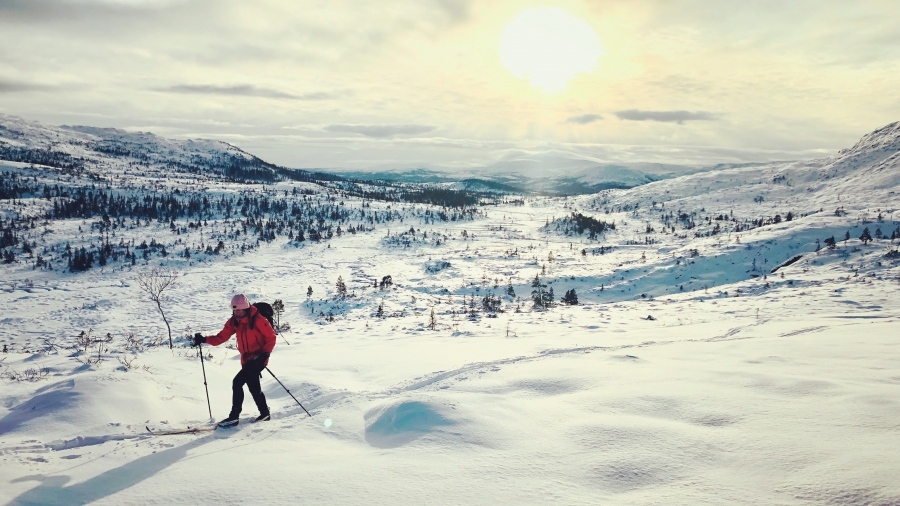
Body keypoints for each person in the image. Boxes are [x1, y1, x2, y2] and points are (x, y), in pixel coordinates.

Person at [193, 294, 276, 427]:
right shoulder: (234, 322)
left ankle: (234, 417)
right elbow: (221, 337)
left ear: (246, 308)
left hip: (259, 358)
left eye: (239, 310)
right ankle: (264, 413)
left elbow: (271, 337)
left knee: (237, 383)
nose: (236, 313)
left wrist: (265, 354)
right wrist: (204, 339)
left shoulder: (258, 319)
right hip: (246, 359)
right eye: (234, 310)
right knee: (253, 387)